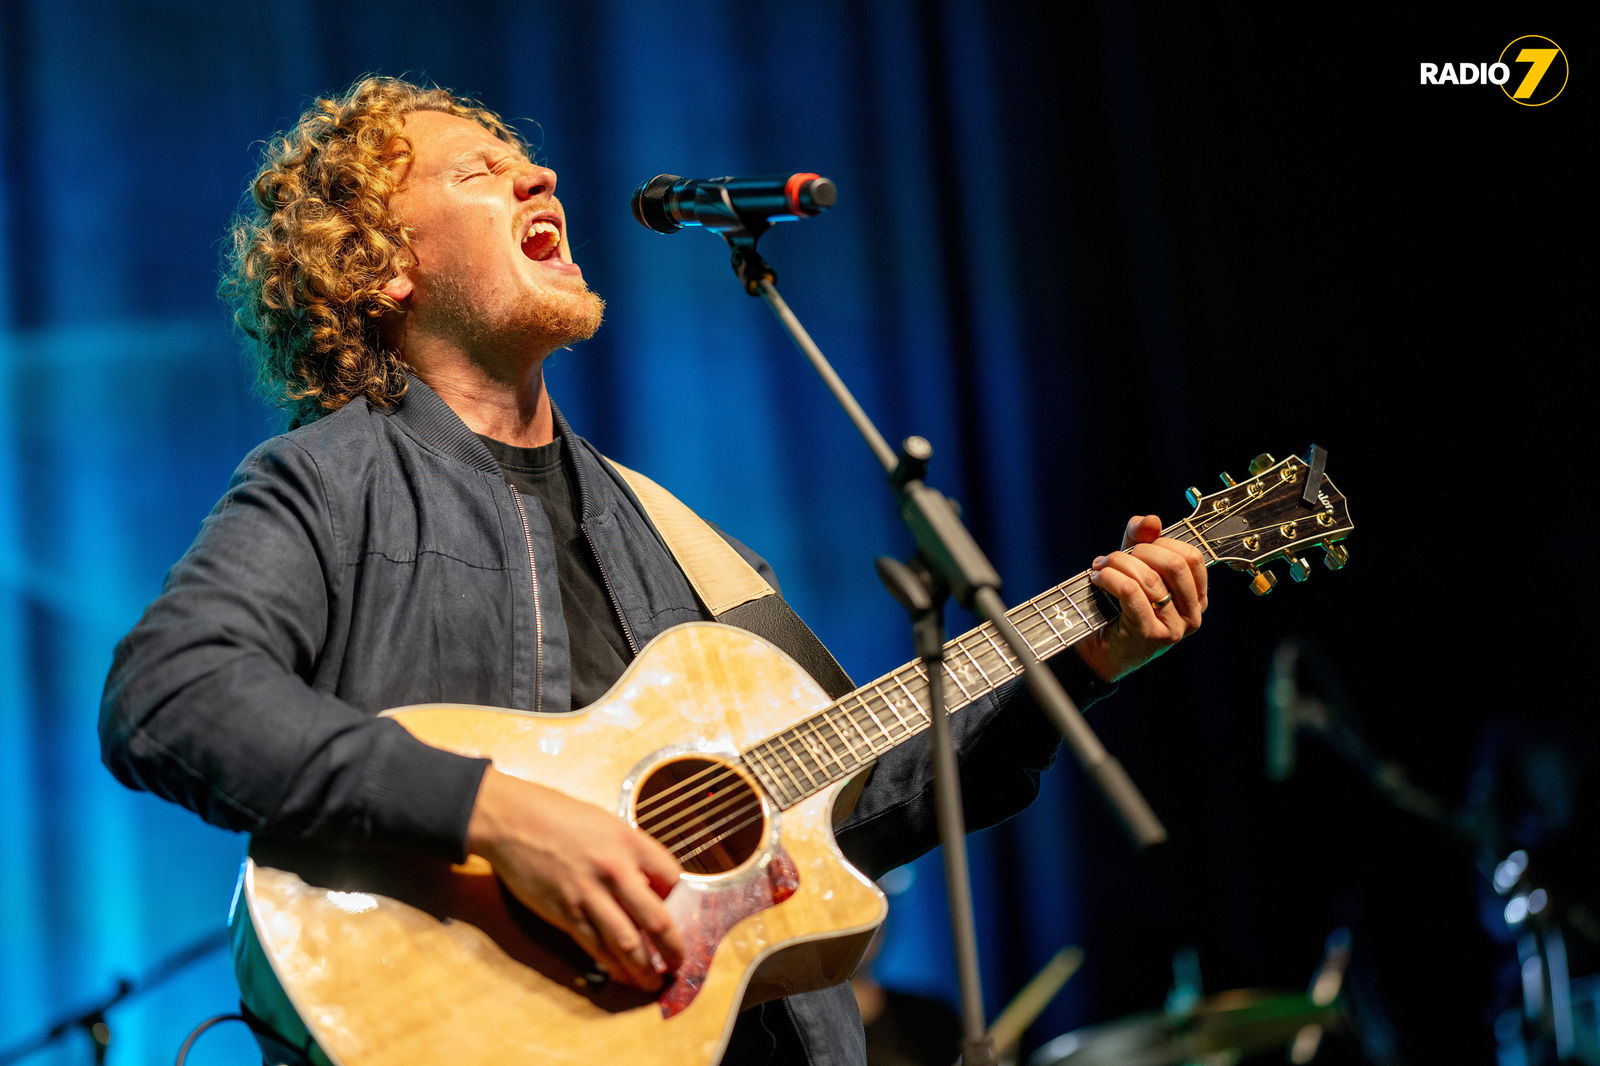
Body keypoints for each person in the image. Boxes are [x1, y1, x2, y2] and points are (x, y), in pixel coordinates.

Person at [98, 76, 1208, 1066]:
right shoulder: (331, 480)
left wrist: (1083, 657)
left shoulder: (679, 535)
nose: (540, 172)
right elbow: (170, 692)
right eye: (480, 171)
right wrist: (503, 816)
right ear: (383, 268)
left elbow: (854, 812)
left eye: (523, 158)